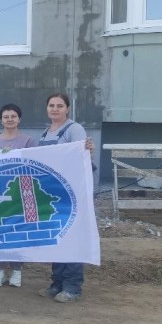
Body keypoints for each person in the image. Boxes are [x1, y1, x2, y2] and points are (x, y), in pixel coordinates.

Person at [36, 93, 93, 304]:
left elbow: (81, 158)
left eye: (60, 106)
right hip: (52, 193)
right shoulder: (46, 132)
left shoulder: (74, 129)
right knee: (58, 237)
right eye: (51, 105)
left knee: (72, 238)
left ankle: (72, 287)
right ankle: (57, 283)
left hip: (70, 192)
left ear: (67, 108)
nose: (55, 109)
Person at [0, 103, 37, 288]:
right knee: (0, 228)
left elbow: (33, 163)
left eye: (13, 116)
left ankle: (17, 271)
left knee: (19, 231)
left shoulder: (28, 140)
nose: (10, 119)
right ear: (1, 120)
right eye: (6, 117)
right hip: (0, 189)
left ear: (19, 119)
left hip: (22, 190)